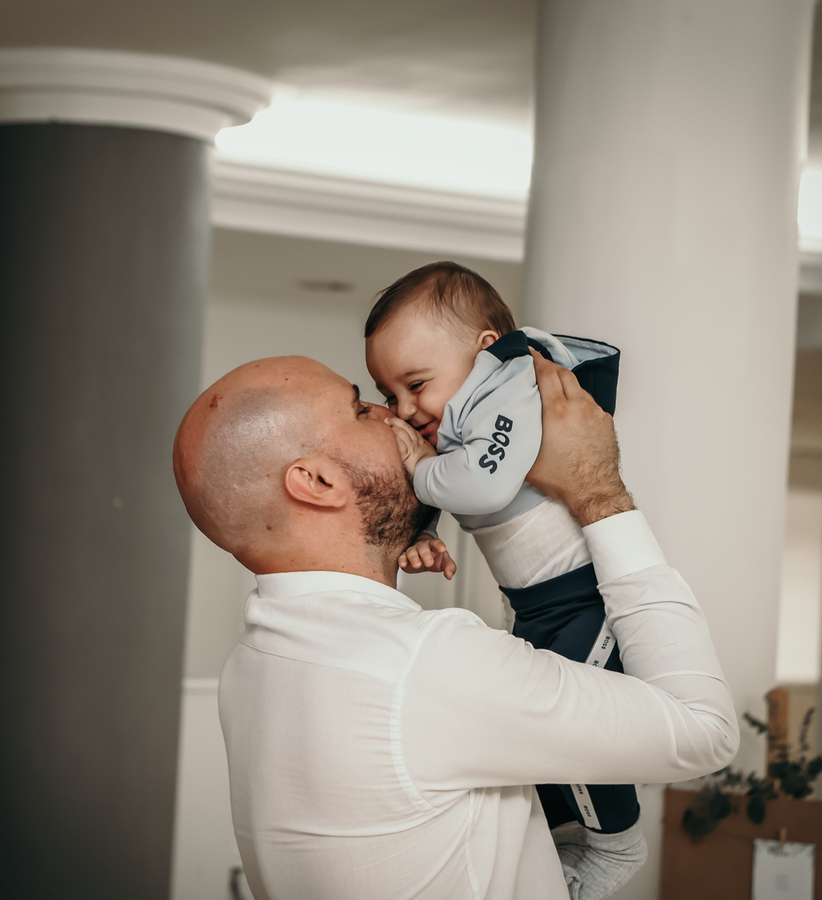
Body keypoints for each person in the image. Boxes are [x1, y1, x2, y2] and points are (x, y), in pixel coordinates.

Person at [172, 352, 737, 900]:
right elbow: (704, 730)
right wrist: (598, 490)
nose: (398, 415)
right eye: (362, 409)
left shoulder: (250, 667)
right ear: (317, 482)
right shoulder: (421, 665)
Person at [364, 261, 641, 897]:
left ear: (484, 348)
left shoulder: (513, 384)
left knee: (573, 732)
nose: (406, 409)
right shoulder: (470, 412)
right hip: (533, 603)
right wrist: (420, 532)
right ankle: (571, 836)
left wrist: (418, 465)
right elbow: (469, 492)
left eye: (416, 384)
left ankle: (618, 845)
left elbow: (484, 482)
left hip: (581, 598)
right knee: (535, 732)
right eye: (389, 394)